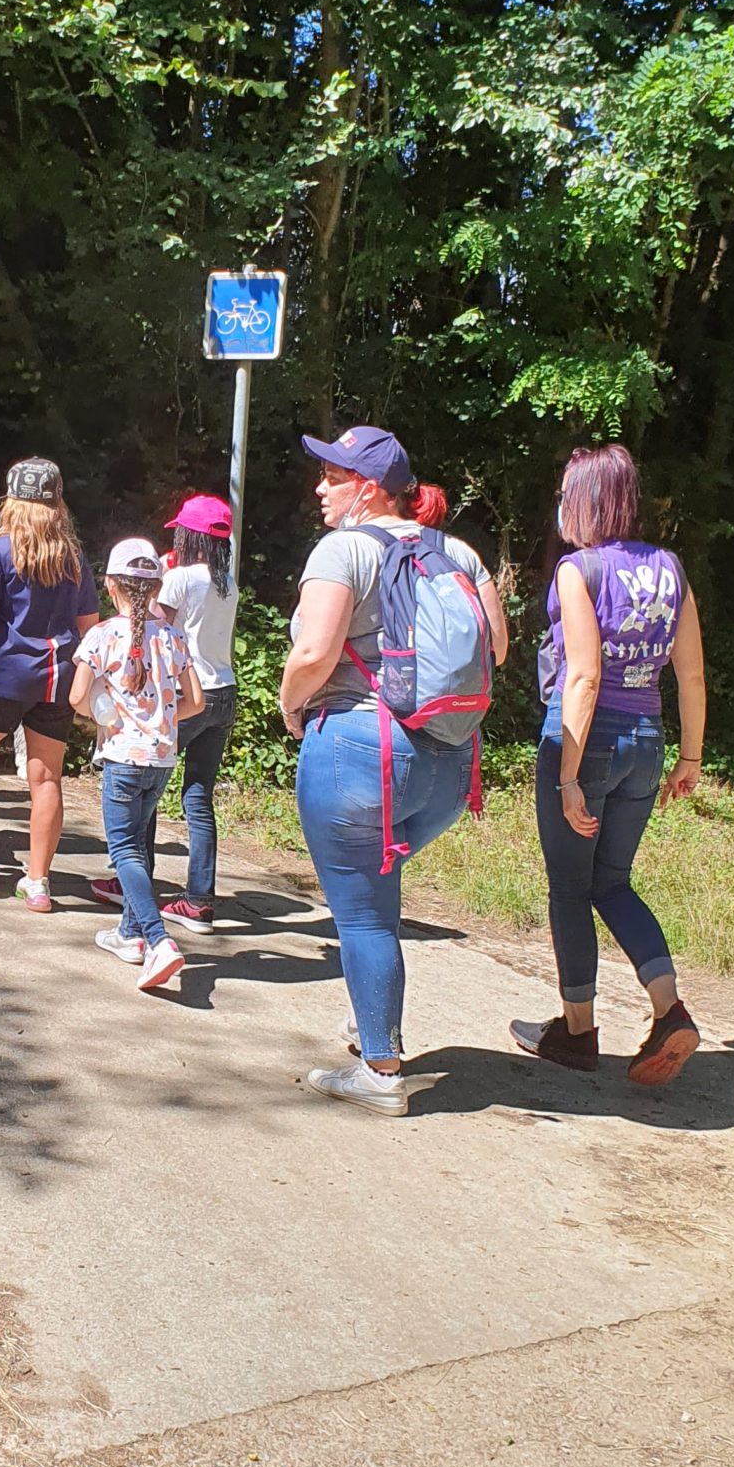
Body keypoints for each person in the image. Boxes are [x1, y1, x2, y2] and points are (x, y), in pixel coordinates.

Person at [278, 426, 509, 1115]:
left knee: (364, 919)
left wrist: (290, 705)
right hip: (447, 764)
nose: (321, 488)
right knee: (377, 900)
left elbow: (316, 652)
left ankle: (381, 1073)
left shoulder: (342, 550)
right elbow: (495, 646)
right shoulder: (459, 552)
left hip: (360, 752)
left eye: (333, 476)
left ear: (368, 488)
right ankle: (370, 1014)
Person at [513, 442, 705, 1087]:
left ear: (585, 499)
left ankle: (577, 1032)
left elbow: (585, 678)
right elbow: (692, 673)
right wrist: (692, 755)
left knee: (571, 888)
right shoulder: (671, 568)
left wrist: (568, 776)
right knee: (613, 883)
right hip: (648, 741)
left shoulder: (580, 569)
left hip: (587, 742)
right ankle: (668, 1010)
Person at [89, 490, 241, 931]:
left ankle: (134, 880)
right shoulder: (227, 582)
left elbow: (149, 627)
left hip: (184, 693)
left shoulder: (179, 578)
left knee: (145, 785)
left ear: (190, 536)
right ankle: (198, 900)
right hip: (223, 691)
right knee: (198, 797)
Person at [0, 458, 98, 910]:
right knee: (46, 776)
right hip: (58, 678)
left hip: (5, 674)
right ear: (58, 500)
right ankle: (37, 881)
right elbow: (90, 623)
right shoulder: (73, 556)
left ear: (10, 499)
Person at [71, 539, 204, 992]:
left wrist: (108, 719)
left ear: (110, 585)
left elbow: (76, 697)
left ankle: (157, 940)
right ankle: (129, 933)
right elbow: (196, 702)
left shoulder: (102, 635)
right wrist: (161, 722)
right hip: (162, 758)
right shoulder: (173, 636)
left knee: (125, 850)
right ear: (156, 586)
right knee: (140, 845)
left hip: (123, 758)